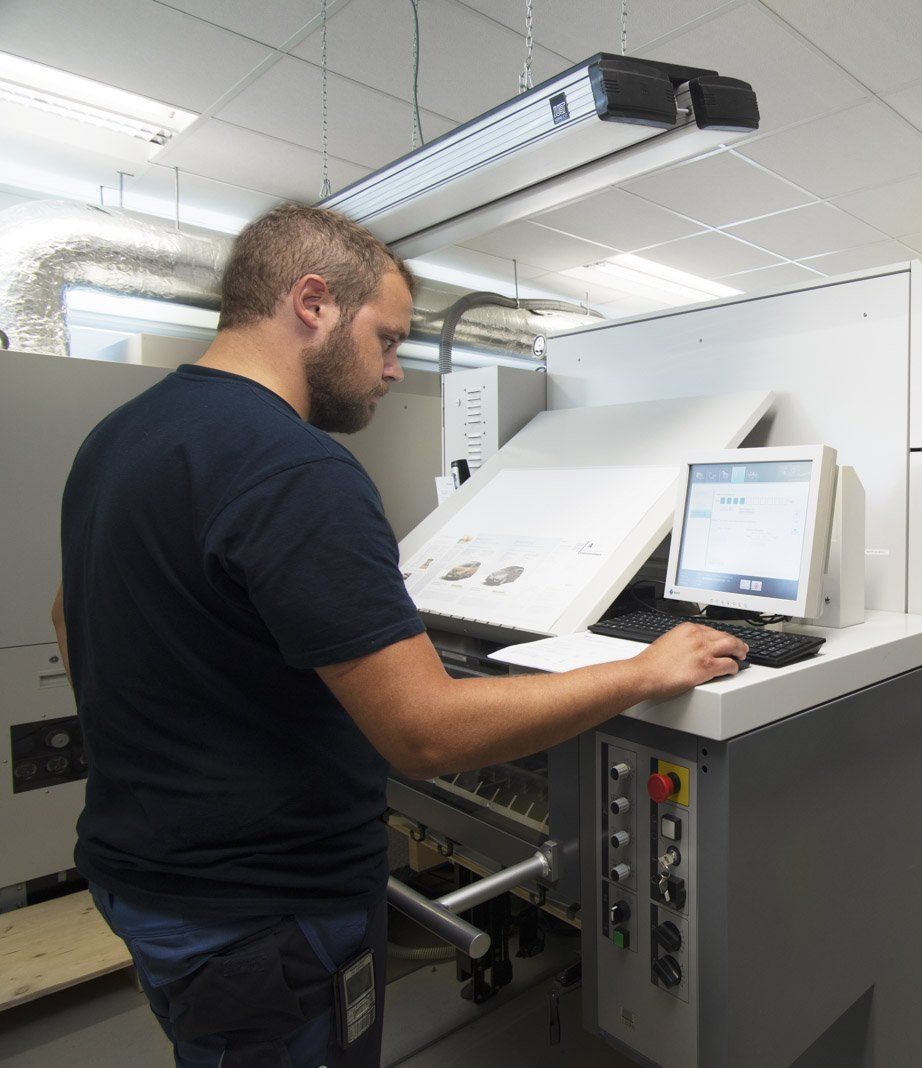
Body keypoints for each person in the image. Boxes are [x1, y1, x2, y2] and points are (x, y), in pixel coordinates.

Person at [51, 204, 745, 1068]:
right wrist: (644, 671)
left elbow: (69, 617)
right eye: (386, 338)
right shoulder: (294, 467)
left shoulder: (119, 437)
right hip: (265, 916)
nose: (393, 369)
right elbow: (425, 734)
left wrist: (185, 737)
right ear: (312, 303)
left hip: (143, 879)